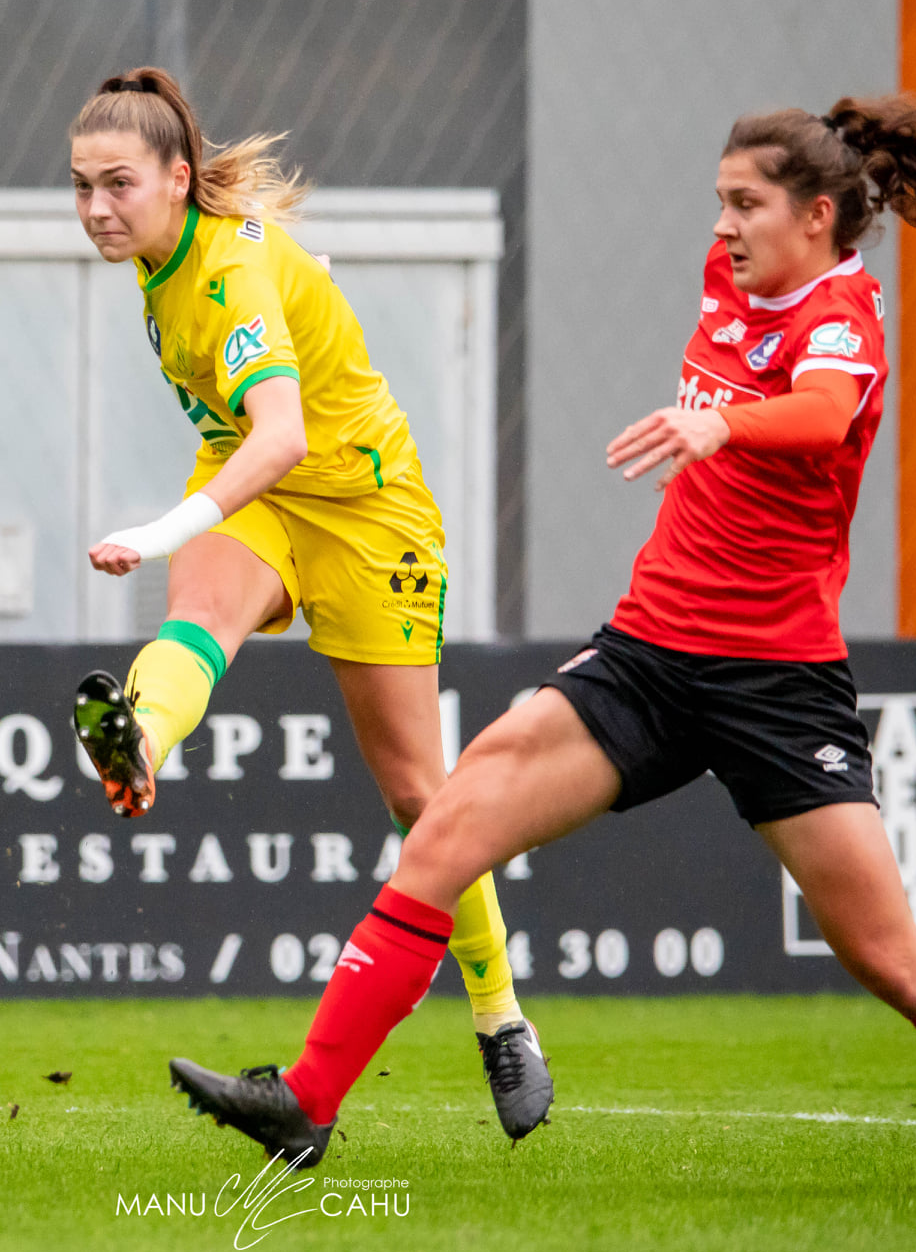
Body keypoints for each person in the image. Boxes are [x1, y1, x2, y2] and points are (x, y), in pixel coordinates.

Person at [170, 91, 916, 1195]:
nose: (722, 226)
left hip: (778, 685)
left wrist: (719, 421)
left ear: (815, 216)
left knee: (897, 966)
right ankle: (308, 1101)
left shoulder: (843, 315)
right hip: (649, 656)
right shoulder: (732, 276)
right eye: (719, 202)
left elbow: (822, 411)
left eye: (745, 204)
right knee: (447, 825)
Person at [65, 67, 553, 1140]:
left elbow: (284, 432)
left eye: (117, 184)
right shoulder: (168, 256)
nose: (96, 207)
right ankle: (139, 741)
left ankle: (499, 1014)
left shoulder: (224, 272)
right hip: (258, 489)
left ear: (177, 179)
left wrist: (161, 528)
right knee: (196, 618)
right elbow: (270, 354)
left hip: (367, 511)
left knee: (419, 795)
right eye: (81, 186)